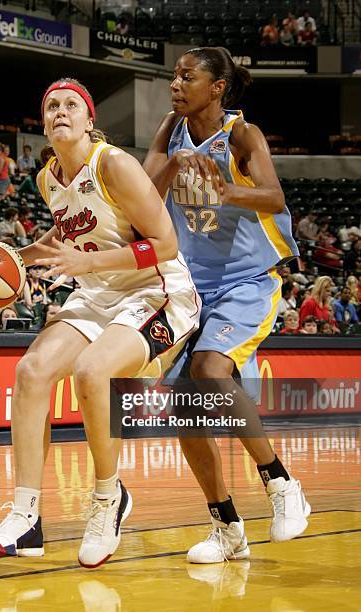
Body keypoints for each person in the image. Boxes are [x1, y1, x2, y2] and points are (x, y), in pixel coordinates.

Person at [0, 77, 201, 568]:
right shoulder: (47, 177)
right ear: (44, 121)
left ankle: (107, 499)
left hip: (158, 291)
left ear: (89, 119)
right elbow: (70, 230)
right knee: (31, 372)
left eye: (71, 104)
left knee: (92, 372)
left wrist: (89, 266)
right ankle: (26, 516)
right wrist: (12, 258)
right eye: (51, 104)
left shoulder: (114, 164)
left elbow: (164, 246)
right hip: (99, 292)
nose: (60, 111)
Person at [143, 47, 309, 564]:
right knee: (185, 412)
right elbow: (144, 193)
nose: (176, 84)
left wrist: (227, 188)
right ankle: (227, 528)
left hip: (246, 281)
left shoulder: (242, 135)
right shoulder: (171, 128)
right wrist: (173, 165)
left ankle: (282, 484)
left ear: (217, 88)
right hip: (191, 285)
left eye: (187, 77)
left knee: (212, 370)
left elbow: (275, 198)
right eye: (174, 75)